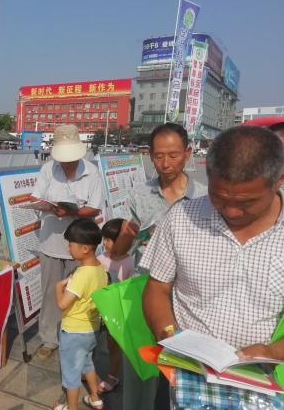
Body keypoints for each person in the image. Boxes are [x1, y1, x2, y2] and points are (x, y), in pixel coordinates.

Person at [141, 126, 284, 403]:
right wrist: (167, 334)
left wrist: (274, 352)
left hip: (263, 380)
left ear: (278, 181)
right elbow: (157, 287)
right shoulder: (181, 218)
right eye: (219, 197)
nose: (231, 211)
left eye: (247, 202)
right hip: (184, 372)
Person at [112, 122, 208, 410]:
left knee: (184, 372)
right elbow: (117, 253)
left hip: (190, 298)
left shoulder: (206, 198)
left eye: (174, 155)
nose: (165, 164)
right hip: (146, 291)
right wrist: (128, 234)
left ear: (187, 153)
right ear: (150, 155)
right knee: (141, 369)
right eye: (158, 156)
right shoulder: (139, 195)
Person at [31, 124, 103, 360]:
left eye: (70, 159)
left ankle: (79, 338)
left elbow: (94, 208)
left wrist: (71, 212)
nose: (66, 164)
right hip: (51, 241)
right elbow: (36, 197)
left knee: (80, 294)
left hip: (80, 246)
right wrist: (48, 206)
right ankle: (49, 339)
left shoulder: (92, 172)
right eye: (63, 160)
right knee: (51, 293)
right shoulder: (48, 169)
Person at [53, 219, 106, 410]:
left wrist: (58, 286)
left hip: (74, 332)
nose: (68, 248)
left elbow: (62, 304)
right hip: (92, 329)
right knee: (87, 363)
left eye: (71, 244)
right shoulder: (100, 268)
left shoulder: (81, 275)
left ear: (85, 248)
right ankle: (96, 398)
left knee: (71, 375)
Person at [96, 218, 135, 394]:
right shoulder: (101, 258)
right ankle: (88, 369)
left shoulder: (129, 263)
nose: (104, 243)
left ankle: (113, 375)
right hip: (98, 309)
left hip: (115, 312)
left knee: (113, 346)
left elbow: (129, 292)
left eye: (109, 239)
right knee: (92, 341)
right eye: (104, 238)